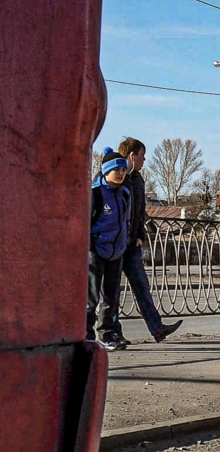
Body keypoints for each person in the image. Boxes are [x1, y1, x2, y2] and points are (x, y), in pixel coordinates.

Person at [116, 137, 183, 344]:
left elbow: (140, 210)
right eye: (142, 155)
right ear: (132, 155)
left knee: (141, 286)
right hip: (114, 243)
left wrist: (139, 235)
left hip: (131, 243)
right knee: (111, 292)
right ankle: (112, 333)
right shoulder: (116, 175)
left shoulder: (137, 179)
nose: (144, 160)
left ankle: (157, 328)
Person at [88, 148, 132, 351]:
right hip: (97, 250)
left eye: (124, 170)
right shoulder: (95, 194)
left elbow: (126, 220)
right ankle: (86, 335)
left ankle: (106, 333)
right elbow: (87, 222)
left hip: (117, 251)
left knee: (111, 296)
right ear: (106, 171)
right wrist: (90, 246)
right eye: (118, 169)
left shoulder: (124, 193)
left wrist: (126, 240)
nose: (122, 173)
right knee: (92, 296)